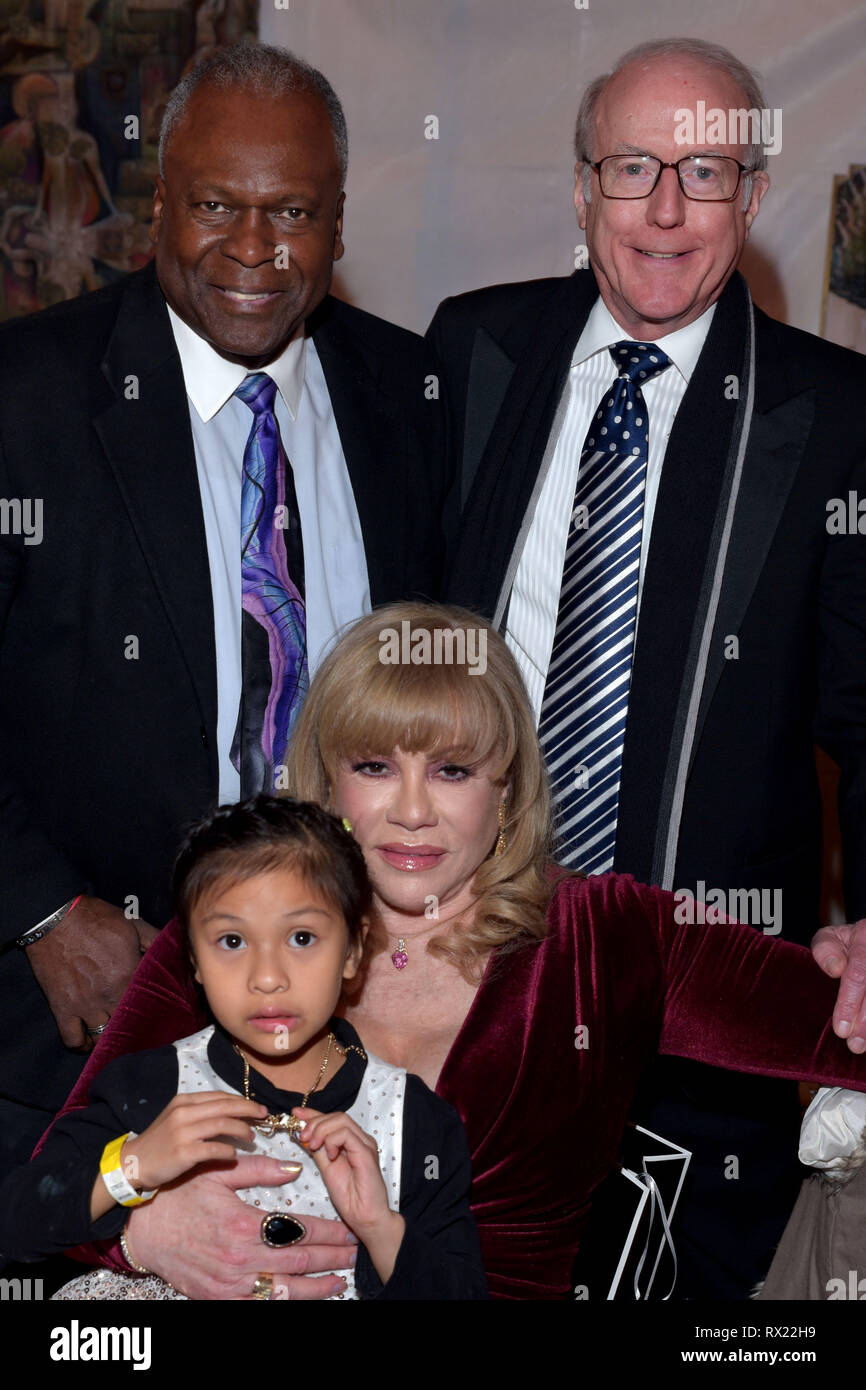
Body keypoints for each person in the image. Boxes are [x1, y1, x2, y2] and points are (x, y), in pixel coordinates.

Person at [41, 603, 866, 1300]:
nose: (410, 812)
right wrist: (140, 1230)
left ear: (506, 788)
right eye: (373, 766)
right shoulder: (237, 926)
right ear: (327, 785)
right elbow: (53, 1186)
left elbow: (844, 1021)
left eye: (452, 770)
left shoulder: (609, 937)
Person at [426, 36, 866, 1296]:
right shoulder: (471, 354)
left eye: (705, 172)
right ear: (579, 188)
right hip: (451, 976)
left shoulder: (831, 416)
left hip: (697, 1020)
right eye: (632, 168)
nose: (665, 210)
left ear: (751, 196)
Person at [0, 43, 448, 1182]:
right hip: (85, 1036)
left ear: (339, 224)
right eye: (215, 205)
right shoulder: (28, 399)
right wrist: (43, 911)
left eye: (291, 210)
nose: (253, 249)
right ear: (160, 206)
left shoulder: (409, 397)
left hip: (364, 1041)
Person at [0, 798, 486, 1300]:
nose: (267, 978)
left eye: (301, 937)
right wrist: (133, 1165)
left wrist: (379, 1228)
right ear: (194, 961)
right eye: (232, 942)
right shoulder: (149, 1086)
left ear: (353, 950)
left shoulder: (416, 1119)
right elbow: (17, 1224)